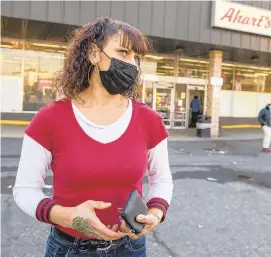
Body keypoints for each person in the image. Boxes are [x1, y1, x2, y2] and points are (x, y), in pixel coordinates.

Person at [13, 17, 173, 257]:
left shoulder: (150, 120)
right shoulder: (49, 119)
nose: (133, 64)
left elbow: (162, 180)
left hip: (130, 247)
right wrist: (67, 216)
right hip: (68, 248)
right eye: (123, 52)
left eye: (136, 57)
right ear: (94, 53)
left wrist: (155, 214)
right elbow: (25, 190)